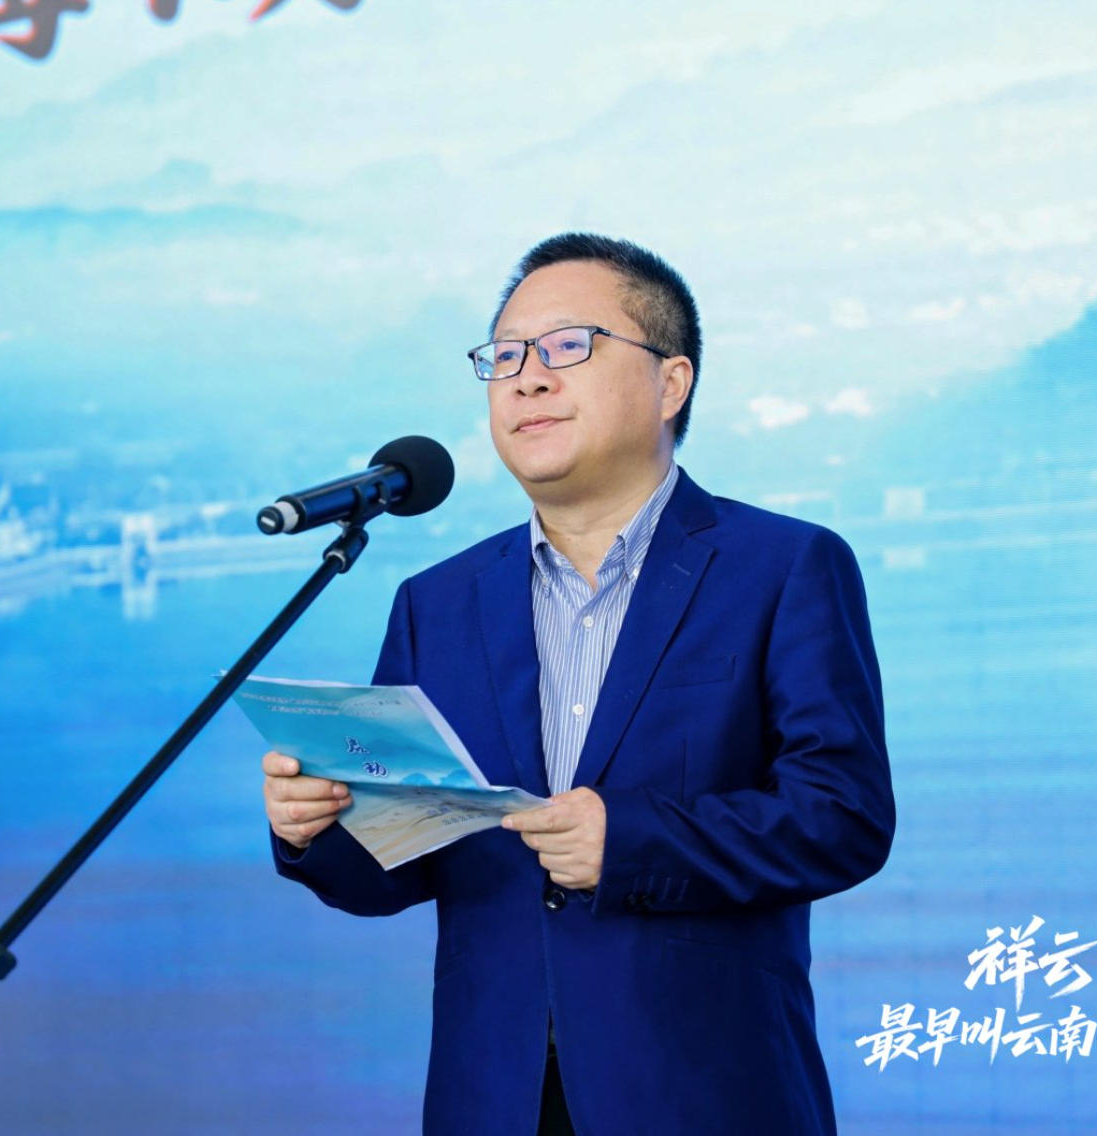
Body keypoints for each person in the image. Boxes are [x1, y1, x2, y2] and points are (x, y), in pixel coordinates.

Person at [262, 232, 894, 1135]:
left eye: (567, 347)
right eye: (506, 356)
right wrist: (318, 827)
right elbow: (394, 869)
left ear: (670, 383)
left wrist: (628, 841)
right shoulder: (437, 604)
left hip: (703, 1097)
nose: (527, 379)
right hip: (494, 1101)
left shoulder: (783, 567)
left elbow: (843, 817)